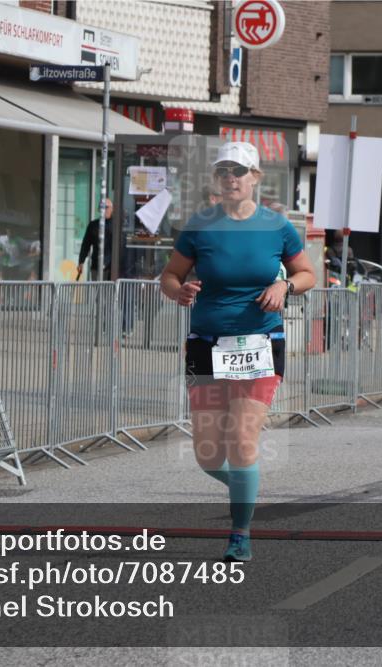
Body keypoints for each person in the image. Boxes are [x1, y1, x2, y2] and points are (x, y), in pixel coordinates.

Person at [160, 142, 315, 561]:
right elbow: (170, 276)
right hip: (206, 345)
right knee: (209, 454)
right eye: (224, 171)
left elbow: (308, 273)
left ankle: (240, 533)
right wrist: (180, 291)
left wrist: (286, 285)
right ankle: (246, 489)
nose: (231, 178)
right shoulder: (200, 226)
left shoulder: (277, 226)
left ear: (255, 177)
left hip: (260, 344)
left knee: (243, 439)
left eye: (239, 171)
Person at [77, 198, 114, 281]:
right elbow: (86, 244)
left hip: (112, 268)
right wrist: (81, 261)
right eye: (101, 207)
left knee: (109, 292)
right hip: (96, 266)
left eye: (106, 207)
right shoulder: (93, 225)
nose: (103, 210)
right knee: (97, 291)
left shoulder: (115, 225)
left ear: (112, 209)